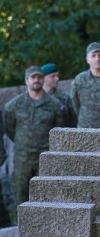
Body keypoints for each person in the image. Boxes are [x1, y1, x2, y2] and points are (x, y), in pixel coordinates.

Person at [3, 66, 67, 209]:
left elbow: (59, 131)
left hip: (45, 157)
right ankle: (20, 229)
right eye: (33, 77)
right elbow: (9, 128)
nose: (36, 80)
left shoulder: (54, 105)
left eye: (39, 77)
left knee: (47, 195)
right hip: (22, 159)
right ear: (27, 81)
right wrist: (23, 141)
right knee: (21, 197)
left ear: (43, 79)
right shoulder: (14, 105)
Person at [41, 63, 78, 127]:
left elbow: (74, 119)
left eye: (57, 76)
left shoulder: (65, 97)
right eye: (53, 76)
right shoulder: (36, 97)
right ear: (43, 78)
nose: (57, 79)